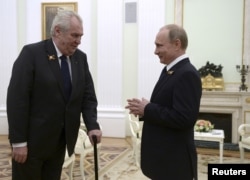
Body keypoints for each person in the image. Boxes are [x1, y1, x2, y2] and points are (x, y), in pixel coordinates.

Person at [7, 10, 102, 180]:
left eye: (81, 36)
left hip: (60, 143)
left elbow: (87, 96)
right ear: (58, 31)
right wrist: (19, 142)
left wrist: (92, 125)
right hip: (31, 144)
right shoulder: (32, 54)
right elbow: (17, 101)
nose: (78, 41)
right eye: (75, 35)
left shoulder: (80, 58)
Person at [126, 24, 202, 179]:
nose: (155, 51)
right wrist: (144, 109)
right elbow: (167, 107)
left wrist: (147, 109)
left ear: (177, 44)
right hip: (164, 160)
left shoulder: (186, 74)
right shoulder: (169, 70)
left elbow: (184, 118)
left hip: (174, 163)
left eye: (159, 46)